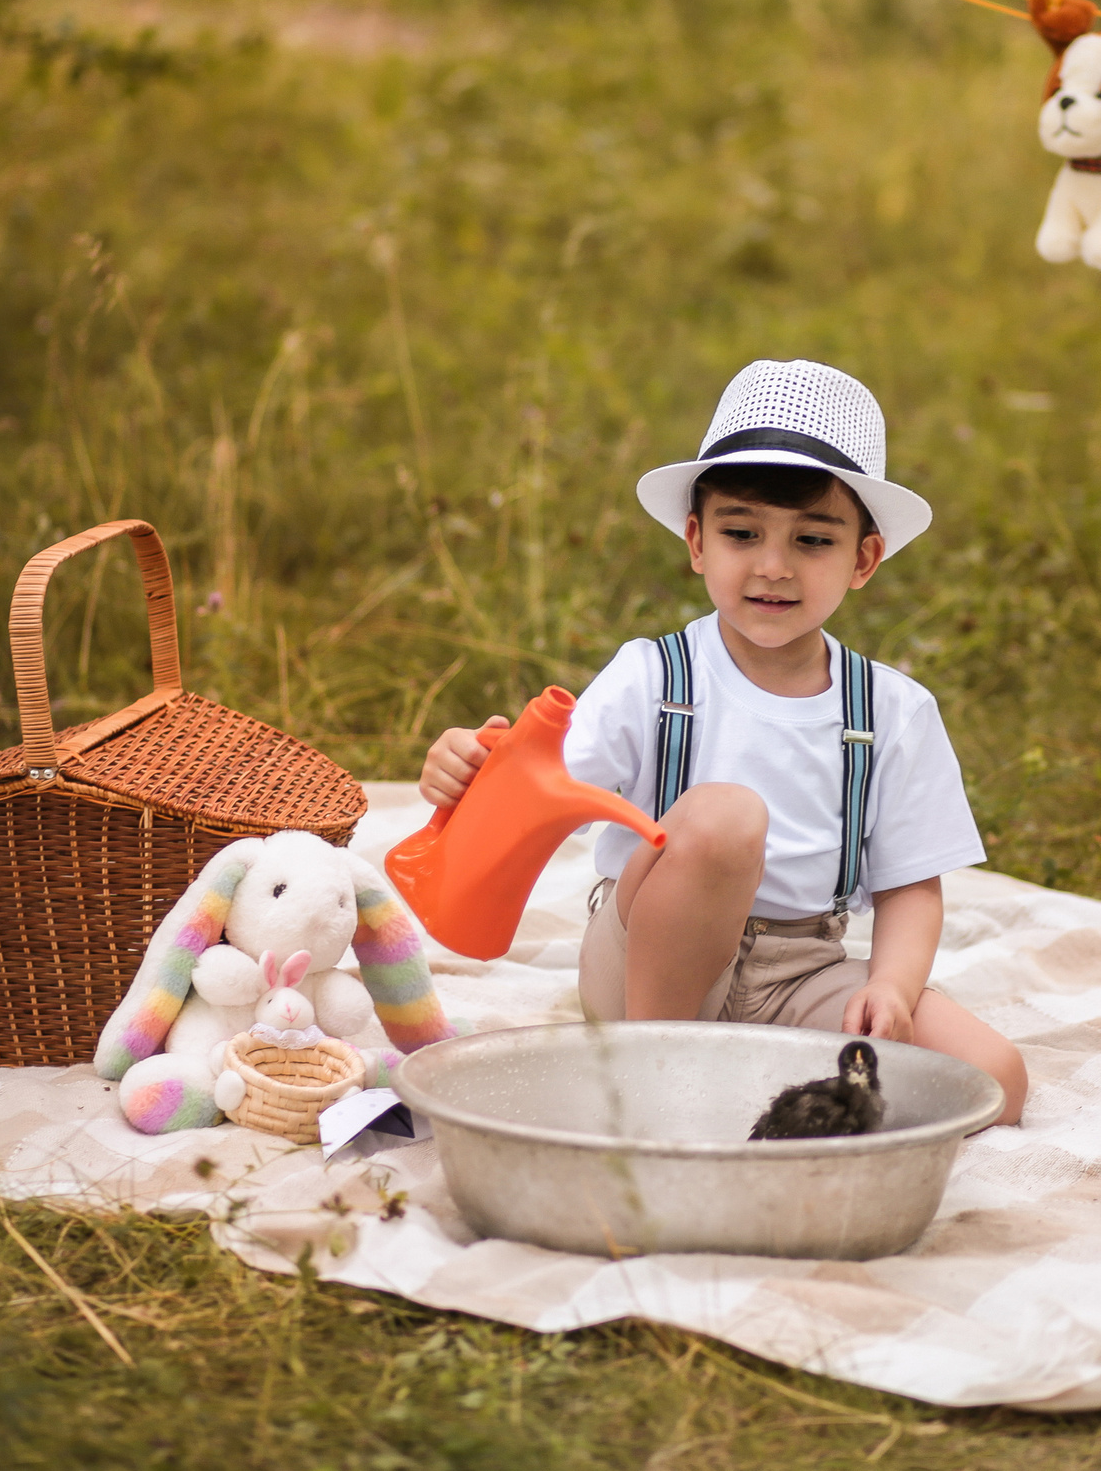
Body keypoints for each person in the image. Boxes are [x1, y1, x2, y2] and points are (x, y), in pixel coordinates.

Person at [419, 358, 1027, 1124]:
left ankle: (759, 1099)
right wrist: (466, 766)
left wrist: (892, 989)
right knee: (723, 819)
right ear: (698, 541)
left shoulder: (891, 711)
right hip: (648, 966)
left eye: (812, 540)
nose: (772, 567)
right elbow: (537, 787)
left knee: (995, 1082)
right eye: (743, 533)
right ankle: (653, 1078)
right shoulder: (655, 677)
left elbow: (912, 885)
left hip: (800, 972)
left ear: (863, 559)